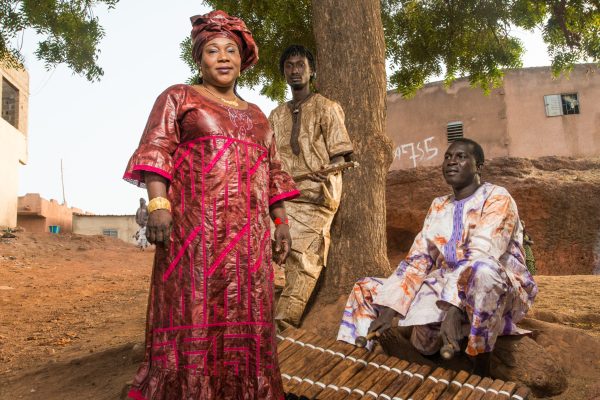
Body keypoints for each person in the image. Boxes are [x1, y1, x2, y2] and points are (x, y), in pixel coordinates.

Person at [123, 10, 299, 399]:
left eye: (231, 51)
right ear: (199, 59)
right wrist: (159, 208)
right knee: (193, 313)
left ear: (242, 59)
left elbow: (273, 172)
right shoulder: (178, 98)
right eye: (213, 50)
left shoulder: (258, 117)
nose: (223, 57)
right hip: (194, 237)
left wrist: (281, 221)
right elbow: (157, 152)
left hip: (249, 245)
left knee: (247, 314)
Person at [337, 138, 537, 376]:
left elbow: (483, 253)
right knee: (365, 288)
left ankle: (482, 364)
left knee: (482, 271)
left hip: (496, 288)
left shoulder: (497, 197)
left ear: (479, 166)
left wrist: (454, 306)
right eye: (448, 157)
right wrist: (390, 308)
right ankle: (356, 365)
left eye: (461, 157)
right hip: (444, 285)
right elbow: (418, 260)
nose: (452, 161)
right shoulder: (439, 205)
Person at [269, 45, 354, 330]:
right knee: (255, 250)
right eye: (289, 66)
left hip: (316, 198)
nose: (294, 70)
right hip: (282, 198)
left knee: (304, 260)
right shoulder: (276, 115)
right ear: (284, 73)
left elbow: (340, 156)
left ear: (311, 70)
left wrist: (329, 171)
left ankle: (281, 327)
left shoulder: (327, 107)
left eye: (300, 65)